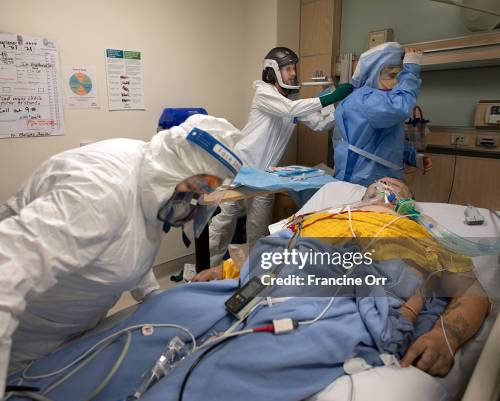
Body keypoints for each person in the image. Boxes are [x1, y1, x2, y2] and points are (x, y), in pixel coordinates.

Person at [0, 114, 244, 401]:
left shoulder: (153, 179)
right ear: (178, 167)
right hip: (16, 340)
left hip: (74, 330)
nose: (194, 202)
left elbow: (130, 241)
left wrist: (155, 301)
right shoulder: (100, 192)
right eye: (198, 189)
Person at [194, 177, 490, 377]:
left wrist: (445, 335)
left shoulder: (415, 229)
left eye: (395, 186)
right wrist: (224, 270)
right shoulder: (323, 216)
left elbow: (471, 290)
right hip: (289, 275)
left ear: (407, 205)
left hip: (356, 291)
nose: (384, 184)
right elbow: (274, 249)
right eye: (377, 183)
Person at [208, 46, 354, 266]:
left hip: (265, 177)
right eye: (287, 68)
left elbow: (320, 124)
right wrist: (328, 98)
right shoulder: (264, 93)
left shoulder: (290, 103)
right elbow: (290, 110)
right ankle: (203, 270)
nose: (293, 73)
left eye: (294, 68)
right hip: (239, 169)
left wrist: (338, 106)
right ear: (273, 71)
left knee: (258, 232)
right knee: (223, 224)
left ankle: (252, 275)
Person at [333, 42, 432, 187]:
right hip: (360, 184)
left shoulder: (381, 102)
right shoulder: (363, 98)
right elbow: (400, 107)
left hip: (381, 184)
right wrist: (411, 72)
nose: (396, 83)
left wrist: (413, 157)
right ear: (372, 73)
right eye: (391, 75)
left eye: (399, 77)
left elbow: (388, 142)